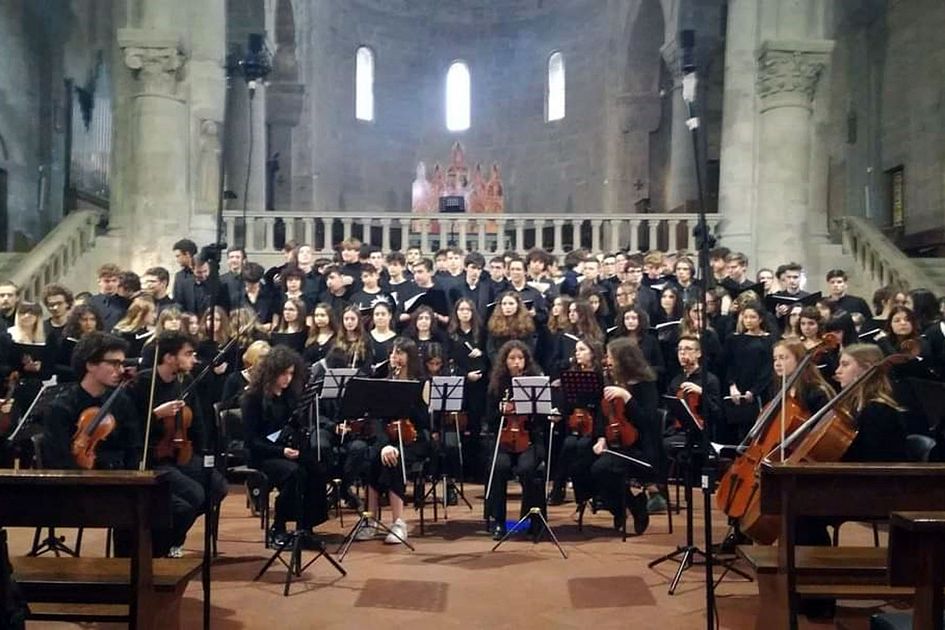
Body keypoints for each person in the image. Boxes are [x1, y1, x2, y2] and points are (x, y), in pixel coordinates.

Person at [129, 330, 228, 557]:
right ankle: (161, 543)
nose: (194, 359)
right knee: (194, 495)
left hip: (181, 451)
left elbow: (197, 422)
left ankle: (173, 537)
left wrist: (202, 453)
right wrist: (155, 414)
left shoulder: (185, 380)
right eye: (188, 354)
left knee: (218, 487)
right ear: (169, 358)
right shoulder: (143, 383)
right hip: (154, 456)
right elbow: (131, 428)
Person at [241, 346, 329, 546]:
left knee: (316, 468)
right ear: (271, 372)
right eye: (283, 373)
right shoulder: (252, 399)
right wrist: (281, 451)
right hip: (263, 454)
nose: (287, 379)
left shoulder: (290, 396)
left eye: (291, 373)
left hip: (284, 449)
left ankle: (305, 527)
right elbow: (252, 441)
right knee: (294, 473)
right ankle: (278, 527)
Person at [354, 337, 431, 545]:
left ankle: (399, 523)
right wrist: (384, 445)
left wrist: (406, 396)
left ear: (410, 357)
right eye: (392, 353)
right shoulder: (384, 381)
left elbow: (424, 422)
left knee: (393, 461)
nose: (394, 357)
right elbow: (377, 419)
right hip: (388, 437)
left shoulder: (422, 383)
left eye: (399, 353)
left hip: (413, 440)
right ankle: (370, 520)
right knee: (372, 458)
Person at [39, 332, 139, 471]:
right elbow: (59, 460)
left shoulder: (122, 402)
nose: (121, 370)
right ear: (91, 365)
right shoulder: (61, 407)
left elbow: (132, 450)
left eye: (122, 364)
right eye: (114, 363)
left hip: (117, 481)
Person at [589, 337, 659, 535]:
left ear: (623, 359)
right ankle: (624, 507)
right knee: (583, 464)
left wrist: (627, 397)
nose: (607, 361)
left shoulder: (645, 384)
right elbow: (604, 415)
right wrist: (601, 438)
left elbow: (647, 422)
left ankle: (629, 508)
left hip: (640, 448)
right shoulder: (610, 380)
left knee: (602, 469)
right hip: (614, 444)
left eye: (611, 356)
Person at [485, 340, 548, 540]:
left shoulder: (534, 383)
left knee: (528, 468)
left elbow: (542, 420)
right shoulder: (497, 385)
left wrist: (531, 411)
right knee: (499, 467)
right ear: (505, 361)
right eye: (512, 358)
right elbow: (489, 419)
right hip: (503, 440)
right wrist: (500, 411)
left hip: (529, 439)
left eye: (520, 358)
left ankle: (532, 519)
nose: (516, 363)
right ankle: (499, 521)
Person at [548, 338, 605, 514]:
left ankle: (587, 491)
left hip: (596, 423)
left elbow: (603, 404)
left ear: (593, 353)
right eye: (576, 350)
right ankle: (559, 488)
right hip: (575, 423)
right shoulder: (572, 374)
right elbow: (566, 402)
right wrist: (559, 412)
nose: (577, 353)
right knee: (568, 445)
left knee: (580, 446)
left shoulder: (601, 375)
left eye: (582, 350)